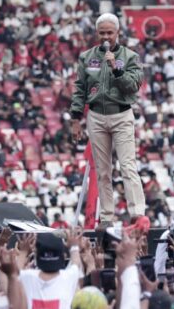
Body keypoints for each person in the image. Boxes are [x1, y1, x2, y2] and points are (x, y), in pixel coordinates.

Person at [70, 13, 147, 230]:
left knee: (128, 165)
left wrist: (116, 68)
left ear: (117, 33)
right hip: (95, 116)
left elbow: (133, 85)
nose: (106, 37)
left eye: (110, 33)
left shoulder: (130, 57)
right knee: (103, 170)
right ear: (97, 33)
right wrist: (75, 118)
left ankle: (137, 213)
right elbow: (79, 89)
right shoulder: (87, 57)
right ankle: (106, 217)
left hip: (121, 115)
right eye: (102, 32)